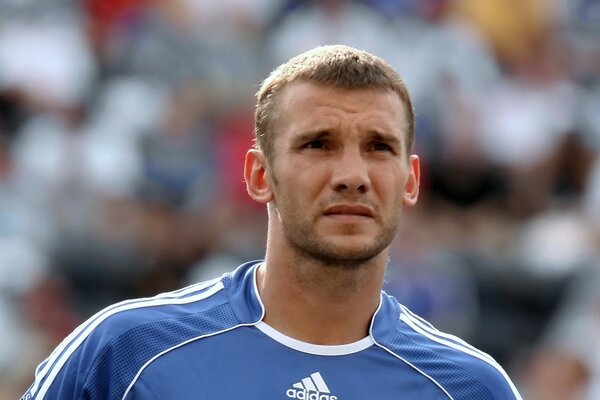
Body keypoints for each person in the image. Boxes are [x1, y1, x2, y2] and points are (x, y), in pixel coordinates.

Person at [22, 45, 522, 400]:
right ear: (260, 174)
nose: (352, 176)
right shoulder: (124, 351)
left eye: (379, 147)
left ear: (411, 181)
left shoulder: (470, 386)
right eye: (318, 144)